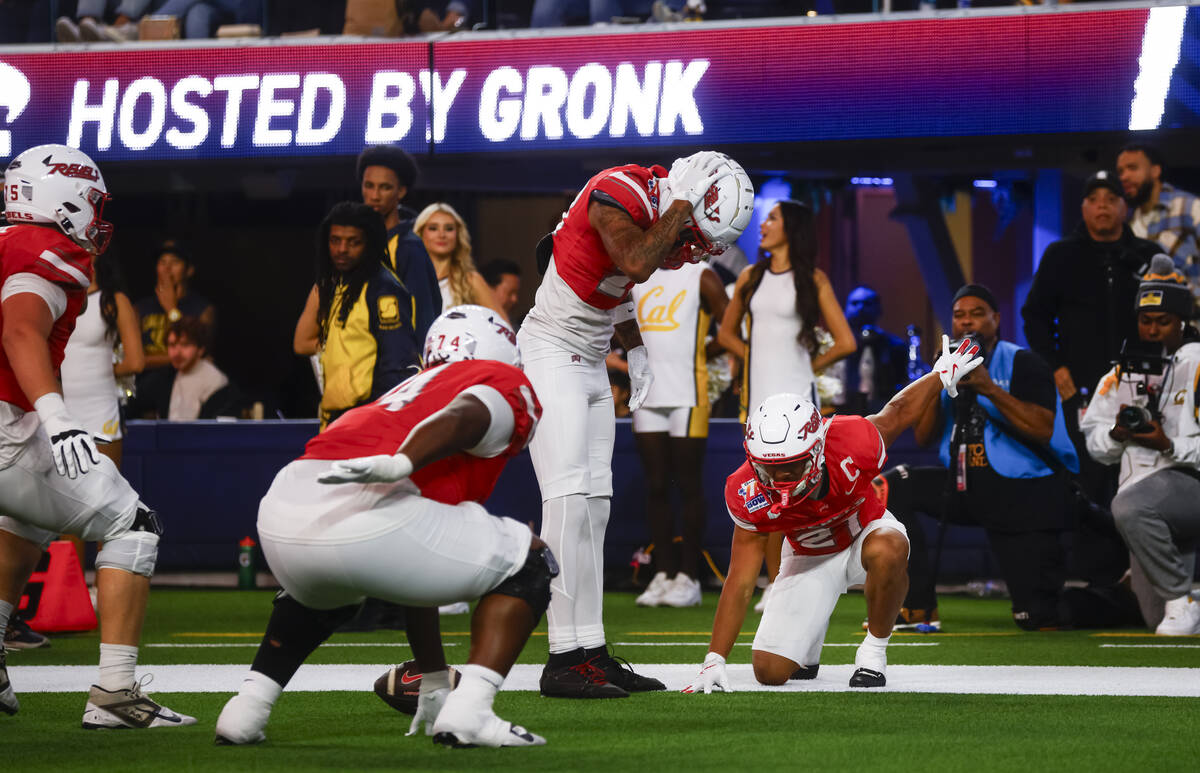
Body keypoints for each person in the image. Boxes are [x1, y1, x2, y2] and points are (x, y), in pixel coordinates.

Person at [214, 305, 554, 748]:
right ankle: (471, 712)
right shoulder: (500, 379)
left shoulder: (405, 389)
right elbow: (466, 413)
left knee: (323, 594)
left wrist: (433, 681)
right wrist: (405, 461)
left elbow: (416, 577)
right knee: (529, 560)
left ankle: (246, 709)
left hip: (283, 512)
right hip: (368, 513)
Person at [517, 150, 753, 698]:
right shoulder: (619, 191)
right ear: (685, 195)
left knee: (595, 506)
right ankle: (560, 659)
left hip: (590, 357)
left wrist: (637, 349)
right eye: (693, 235)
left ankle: (590, 651)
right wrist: (681, 204)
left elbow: (615, 289)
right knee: (567, 499)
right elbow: (636, 263)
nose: (692, 250)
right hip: (551, 352)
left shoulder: (655, 211)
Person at [0, 144, 193, 727]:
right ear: (59, 198)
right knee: (132, 524)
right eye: (91, 202)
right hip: (8, 426)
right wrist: (57, 418)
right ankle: (115, 692)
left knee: (25, 520)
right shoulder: (42, 250)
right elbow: (21, 331)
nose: (96, 216)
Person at [683, 337, 983, 694]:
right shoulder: (746, 490)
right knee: (769, 671)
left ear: (817, 451)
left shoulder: (850, 440)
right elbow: (740, 580)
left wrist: (938, 375)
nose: (779, 480)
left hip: (864, 534)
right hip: (808, 556)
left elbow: (898, 411)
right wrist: (715, 658)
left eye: (790, 467)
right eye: (768, 468)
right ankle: (810, 639)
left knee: (888, 549)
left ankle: (873, 652)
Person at [877, 285, 1080, 632]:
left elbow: (1043, 428)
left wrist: (988, 388)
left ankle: (1117, 600)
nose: (967, 321)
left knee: (1037, 617)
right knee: (891, 486)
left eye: (976, 313)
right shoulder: (947, 364)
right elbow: (924, 437)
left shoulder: (1023, 362)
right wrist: (937, 379)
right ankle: (917, 607)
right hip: (965, 485)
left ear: (996, 320)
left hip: (1022, 492)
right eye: (959, 315)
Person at [1021, 170, 1162, 601]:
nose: (1102, 205)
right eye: (1093, 198)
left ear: (1124, 206)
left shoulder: (1147, 256)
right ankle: (1091, 581)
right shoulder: (1062, 255)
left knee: (1142, 476)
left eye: (1111, 198)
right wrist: (1055, 367)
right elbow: (1035, 316)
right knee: (1087, 479)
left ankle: (1141, 576)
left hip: (1144, 385)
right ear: (1083, 207)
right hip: (1081, 388)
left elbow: (1170, 318)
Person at [716, 198, 856, 612]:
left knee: (797, 496)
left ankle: (788, 581)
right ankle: (772, 582)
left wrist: (806, 365)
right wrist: (756, 354)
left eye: (772, 219)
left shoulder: (813, 279)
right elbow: (725, 335)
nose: (763, 225)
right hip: (758, 404)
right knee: (764, 495)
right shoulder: (749, 277)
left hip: (798, 403)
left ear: (790, 227)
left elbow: (846, 341)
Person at [1081, 255, 1200, 636]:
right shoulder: (1119, 374)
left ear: (1183, 321)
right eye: (1145, 320)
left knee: (1129, 506)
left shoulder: (1196, 362)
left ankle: (1183, 599)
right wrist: (1117, 435)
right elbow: (1094, 442)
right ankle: (1188, 599)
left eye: (1163, 321)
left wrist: (1169, 445)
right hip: (1145, 510)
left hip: (1185, 486)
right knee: (1155, 619)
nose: (1152, 330)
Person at [629, 260, 728, 608]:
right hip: (646, 392)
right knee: (655, 484)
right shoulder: (638, 272)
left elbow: (731, 324)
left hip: (688, 393)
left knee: (688, 484)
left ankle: (689, 577)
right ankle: (664, 573)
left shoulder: (701, 274)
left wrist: (704, 350)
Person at [293, 202, 421, 430]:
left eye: (353, 242)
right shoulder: (336, 284)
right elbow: (301, 344)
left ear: (369, 244)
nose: (342, 249)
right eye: (335, 240)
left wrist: (377, 421)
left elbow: (399, 365)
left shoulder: (384, 289)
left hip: (366, 419)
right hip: (335, 418)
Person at [357, 146, 441, 342]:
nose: (375, 195)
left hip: (399, 366)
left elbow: (423, 317)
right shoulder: (353, 245)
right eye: (369, 185)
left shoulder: (409, 247)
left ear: (401, 191)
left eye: (385, 187)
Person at [133, 241, 215, 400]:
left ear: (189, 270)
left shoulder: (203, 309)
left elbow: (204, 357)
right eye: (162, 262)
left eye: (175, 262)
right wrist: (182, 358)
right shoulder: (139, 308)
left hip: (189, 391)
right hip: (145, 392)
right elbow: (135, 359)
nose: (167, 268)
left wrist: (172, 309)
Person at [1116, 143, 1200, 295]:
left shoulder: (1190, 208)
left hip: (1191, 315)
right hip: (1146, 315)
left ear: (1155, 171)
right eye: (1120, 171)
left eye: (1132, 168)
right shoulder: (1127, 225)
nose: (1124, 177)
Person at [414, 203, 505, 318]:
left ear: (458, 234)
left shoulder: (471, 281)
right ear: (421, 234)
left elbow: (502, 327)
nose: (442, 235)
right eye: (433, 228)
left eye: (449, 228)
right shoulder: (409, 279)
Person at [834, 285, 910, 416]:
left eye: (867, 303)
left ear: (879, 309)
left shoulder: (896, 346)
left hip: (881, 413)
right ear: (845, 308)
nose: (860, 308)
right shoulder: (834, 346)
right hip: (840, 411)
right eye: (855, 303)